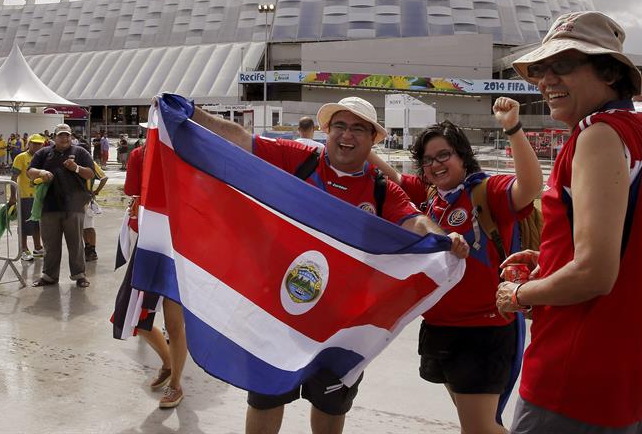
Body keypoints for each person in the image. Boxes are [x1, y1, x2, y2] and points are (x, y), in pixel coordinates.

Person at [187, 94, 469, 434]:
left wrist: (444, 240)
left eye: (358, 129)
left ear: (373, 140)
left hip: (341, 325)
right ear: (327, 130)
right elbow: (240, 139)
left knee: (330, 410)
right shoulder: (300, 159)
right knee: (265, 400)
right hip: (279, 315)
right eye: (340, 126)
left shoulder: (382, 191)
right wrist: (192, 114)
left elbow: (416, 223)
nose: (346, 136)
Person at [494, 12, 642, 433]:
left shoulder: (596, 134)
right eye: (540, 69)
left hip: (577, 375)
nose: (545, 80)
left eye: (563, 65)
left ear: (609, 72)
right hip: (637, 372)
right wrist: (552, 256)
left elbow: (595, 273)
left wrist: (519, 292)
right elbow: (634, 245)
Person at [368, 97, 542, 434]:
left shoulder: (485, 191)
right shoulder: (432, 196)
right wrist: (360, 135)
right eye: (428, 160)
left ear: (462, 155)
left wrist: (513, 127)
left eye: (443, 155)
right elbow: (388, 177)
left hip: (483, 330)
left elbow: (531, 187)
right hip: (441, 328)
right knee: (478, 424)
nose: (434, 165)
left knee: (479, 428)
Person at [120, 135, 185, 408]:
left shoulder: (187, 154)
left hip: (180, 247)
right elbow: (132, 191)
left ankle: (176, 385)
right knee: (133, 316)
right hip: (150, 242)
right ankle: (169, 363)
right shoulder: (140, 154)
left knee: (173, 323)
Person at [27, 124, 95, 288]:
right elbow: (30, 171)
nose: (64, 138)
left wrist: (76, 168)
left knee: (76, 244)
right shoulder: (44, 153)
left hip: (74, 206)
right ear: (54, 137)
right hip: (49, 206)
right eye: (61, 135)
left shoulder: (80, 152)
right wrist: (41, 173)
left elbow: (91, 173)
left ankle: (79, 275)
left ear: (71, 136)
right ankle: (49, 275)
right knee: (50, 244)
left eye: (67, 135)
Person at [10, 134, 45, 261]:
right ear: (28, 143)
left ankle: (38, 247)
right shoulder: (21, 157)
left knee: (37, 224)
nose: (37, 146)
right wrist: (13, 196)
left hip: (39, 195)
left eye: (39, 143)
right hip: (25, 195)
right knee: (25, 224)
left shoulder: (43, 157)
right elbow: (14, 177)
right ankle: (23, 249)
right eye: (34, 143)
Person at [82, 160, 107, 261]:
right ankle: (87, 248)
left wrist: (96, 191)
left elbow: (104, 178)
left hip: (86, 199)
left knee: (89, 226)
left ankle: (92, 250)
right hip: (77, 199)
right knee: (84, 226)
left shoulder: (91, 163)